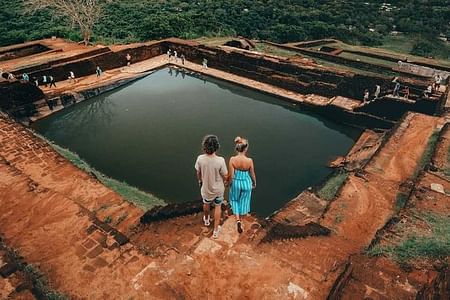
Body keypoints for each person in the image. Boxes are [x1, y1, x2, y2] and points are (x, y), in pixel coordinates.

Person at [195, 135, 228, 239]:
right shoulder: (220, 160)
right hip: (218, 190)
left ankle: (206, 219)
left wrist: (200, 181)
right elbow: (225, 175)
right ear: (217, 146)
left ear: (204, 146)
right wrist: (226, 182)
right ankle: (215, 231)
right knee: (218, 207)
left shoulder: (200, 159)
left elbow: (198, 172)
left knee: (206, 203)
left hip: (206, 189)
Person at [228, 137, 256, 234]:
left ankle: (237, 220)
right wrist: (254, 182)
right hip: (246, 182)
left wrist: (229, 183)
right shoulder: (249, 160)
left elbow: (231, 175)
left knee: (234, 199)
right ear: (246, 148)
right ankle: (242, 220)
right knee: (244, 201)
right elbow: (252, 173)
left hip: (236, 182)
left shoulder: (232, 159)